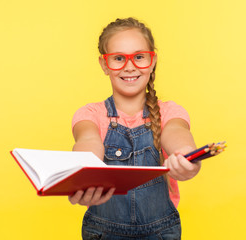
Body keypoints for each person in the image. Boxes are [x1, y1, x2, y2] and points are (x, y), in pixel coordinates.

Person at [69, 17, 201, 239]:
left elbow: (177, 133)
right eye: (119, 58)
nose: (129, 66)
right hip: (102, 233)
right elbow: (87, 141)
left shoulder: (170, 112)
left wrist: (186, 157)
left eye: (139, 57)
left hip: (161, 233)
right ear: (104, 64)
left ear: (152, 61)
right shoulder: (90, 114)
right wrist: (82, 173)